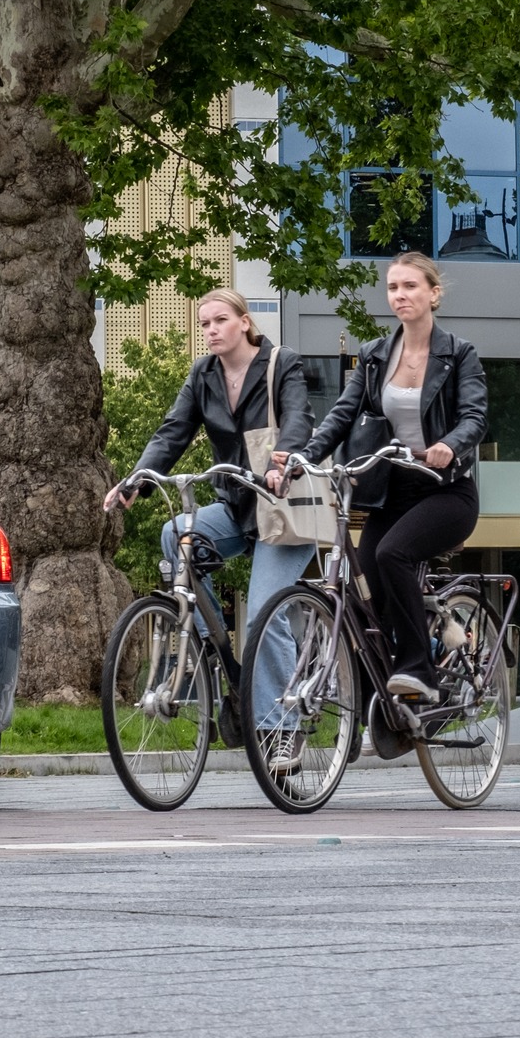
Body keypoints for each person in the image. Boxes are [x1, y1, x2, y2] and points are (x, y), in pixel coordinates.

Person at [105, 290, 315, 767]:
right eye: (204, 324)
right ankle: (219, 659)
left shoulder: (282, 364)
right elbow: (172, 431)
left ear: (245, 323)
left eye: (221, 320)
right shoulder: (203, 375)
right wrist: (136, 478)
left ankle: (283, 729)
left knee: (264, 610)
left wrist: (286, 462)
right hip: (238, 507)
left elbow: (300, 419)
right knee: (174, 533)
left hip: (285, 510)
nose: (211, 330)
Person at [285, 253, 486, 704]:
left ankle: (419, 670)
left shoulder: (459, 354)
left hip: (445, 489)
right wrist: (303, 456)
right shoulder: (376, 355)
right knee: (364, 581)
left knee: (393, 553)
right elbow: (341, 415)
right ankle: (379, 700)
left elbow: (475, 415)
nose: (400, 295)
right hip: (390, 493)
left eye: (410, 286)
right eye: (393, 287)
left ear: (433, 293)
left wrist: (450, 445)